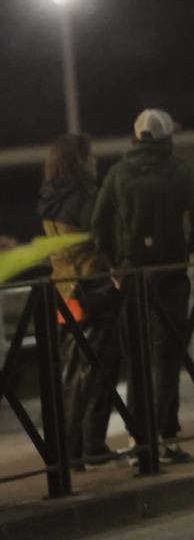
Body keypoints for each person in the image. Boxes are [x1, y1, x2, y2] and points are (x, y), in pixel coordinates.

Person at [90, 109, 194, 464]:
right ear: (167, 135)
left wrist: (115, 264)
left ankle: (140, 440)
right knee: (167, 358)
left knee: (136, 357)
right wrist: (186, 250)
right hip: (170, 276)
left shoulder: (118, 173)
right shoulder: (181, 172)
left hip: (131, 277)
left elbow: (98, 225)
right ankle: (167, 437)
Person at [38, 133, 119, 469]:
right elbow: (108, 239)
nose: (95, 162)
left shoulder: (50, 199)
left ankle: (74, 450)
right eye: (90, 157)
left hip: (64, 292)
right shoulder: (87, 199)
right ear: (78, 161)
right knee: (98, 368)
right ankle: (87, 447)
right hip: (93, 287)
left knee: (74, 372)